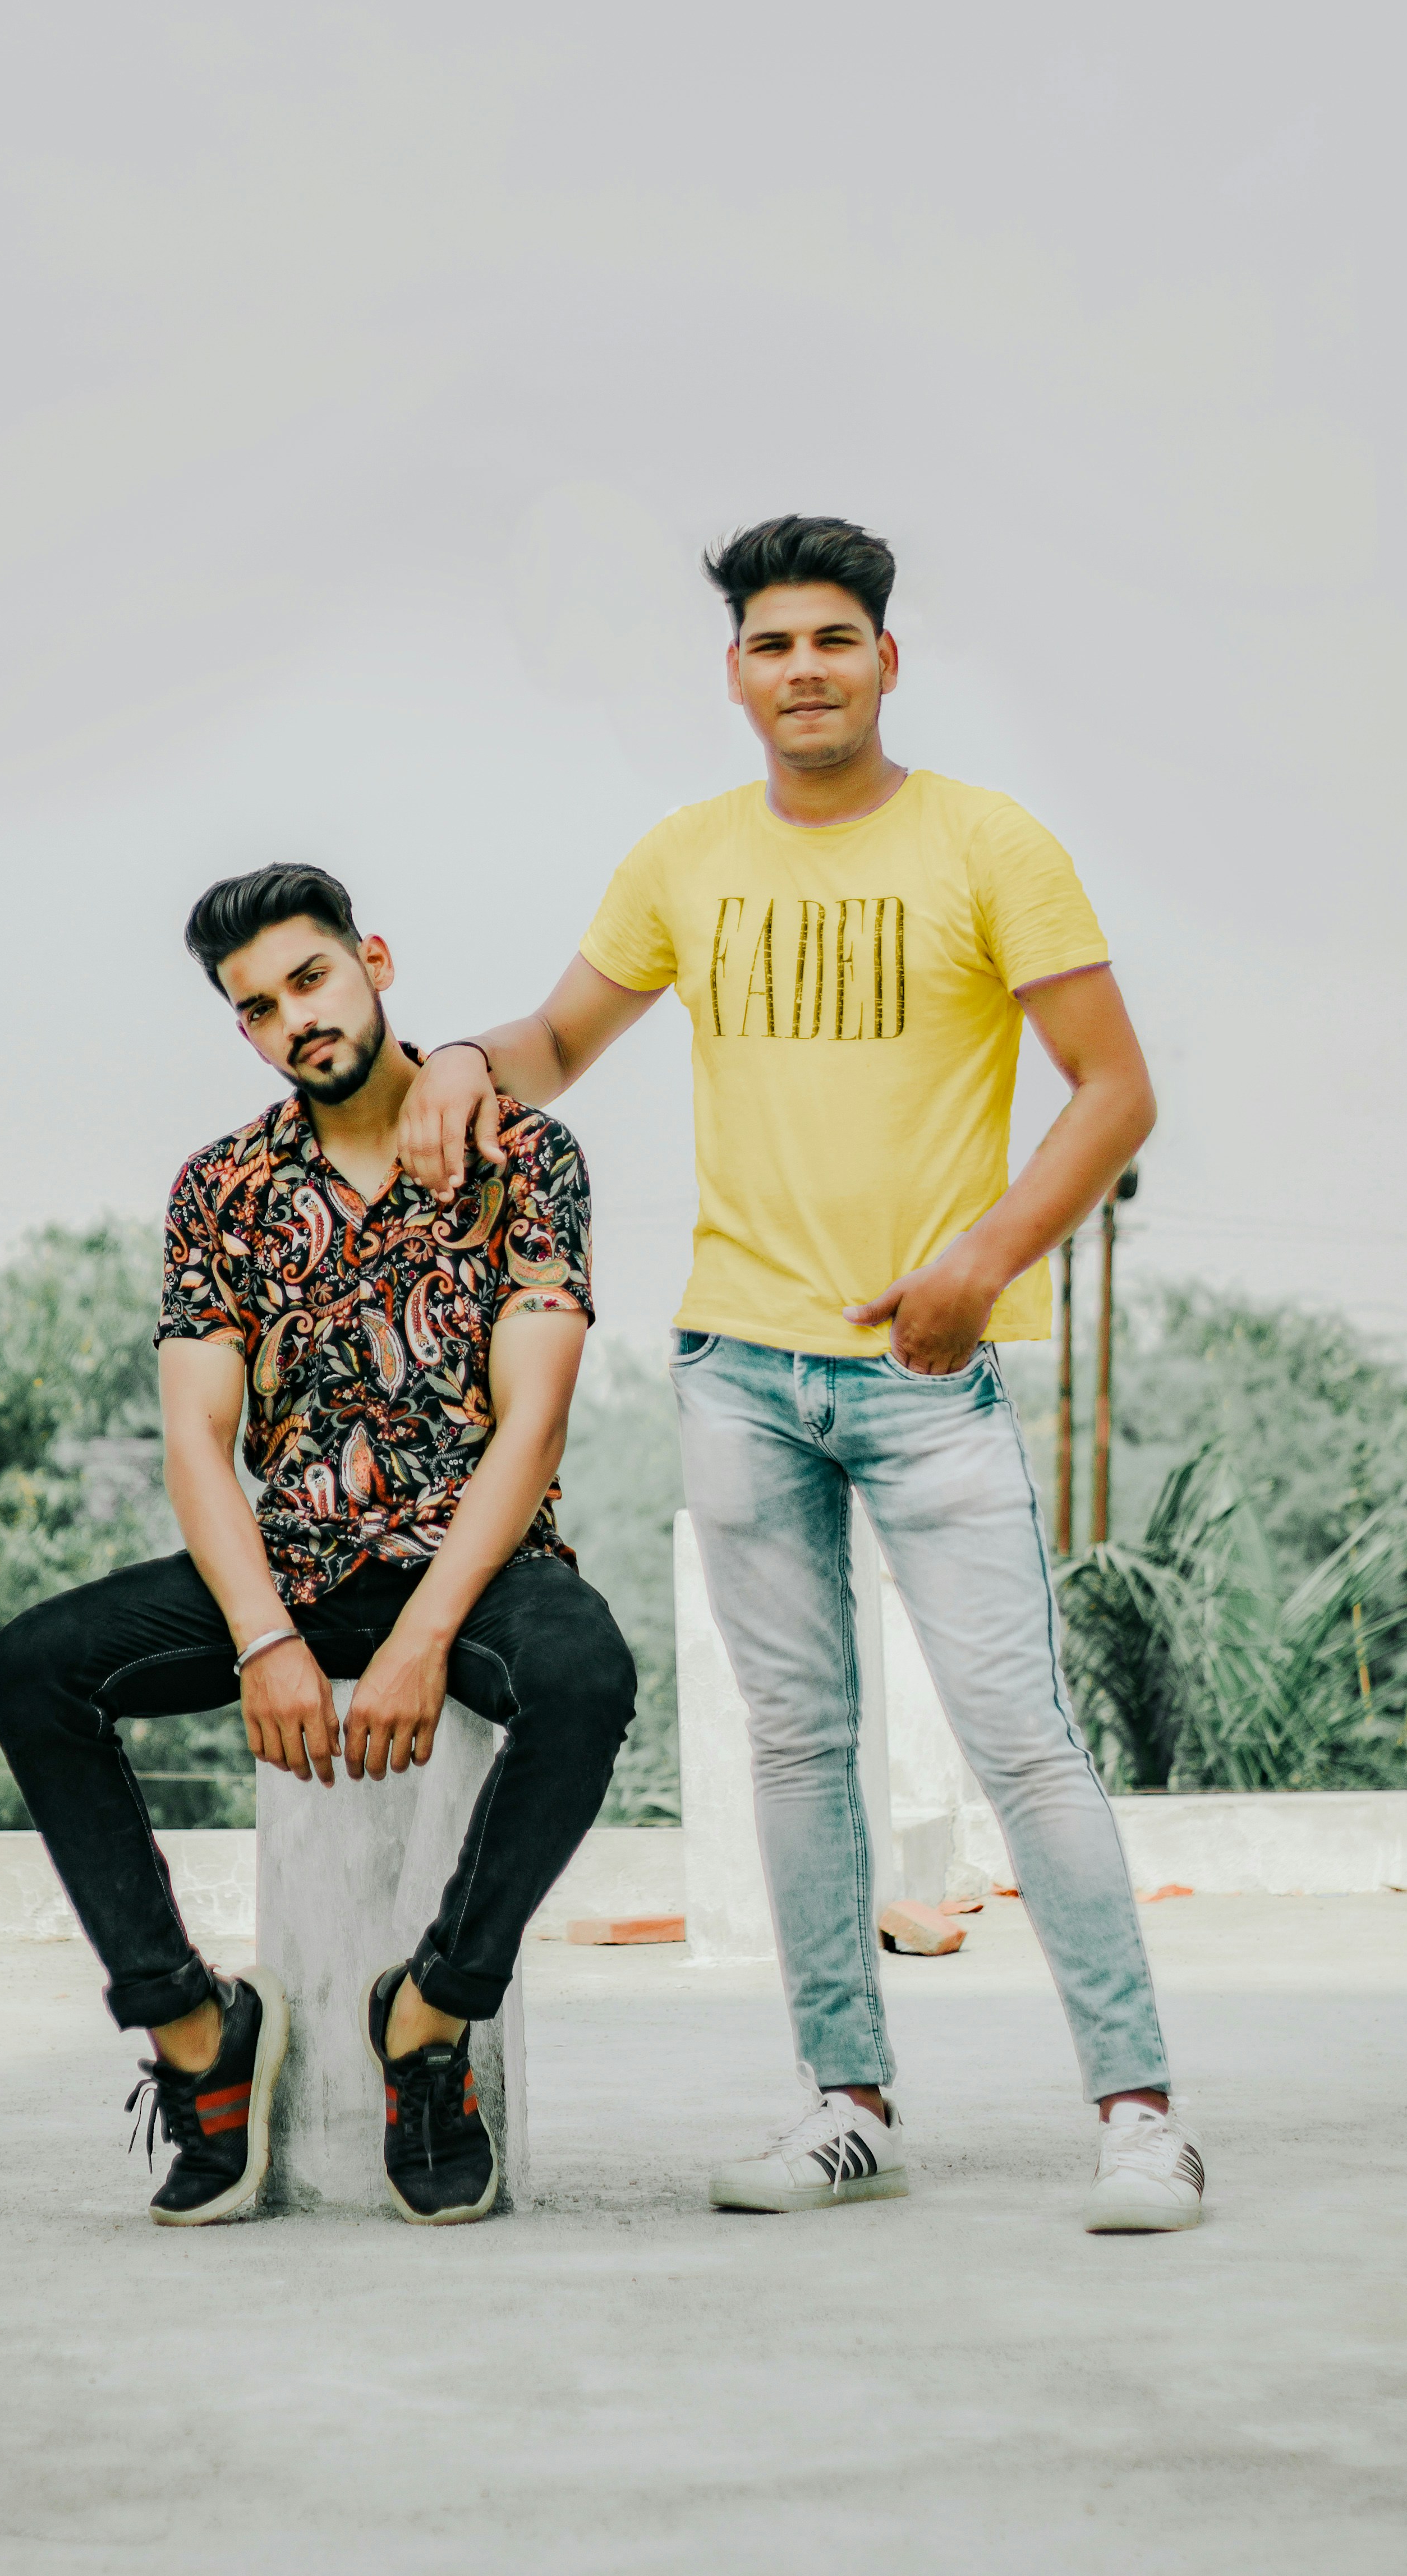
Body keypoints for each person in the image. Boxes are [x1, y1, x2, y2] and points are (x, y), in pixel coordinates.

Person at [399, 514, 1204, 2235]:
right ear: (735, 673)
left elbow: (1110, 1088)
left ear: (884, 661)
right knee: (793, 1748)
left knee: (1021, 1741)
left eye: (832, 639)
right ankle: (843, 2104)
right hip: (735, 1372)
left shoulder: (989, 844)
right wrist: (467, 1051)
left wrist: (979, 1267)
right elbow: (558, 1042)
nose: (803, 670)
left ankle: (1138, 2117)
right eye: (770, 645)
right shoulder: (683, 857)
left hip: (925, 1375)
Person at [0, 863, 634, 2228]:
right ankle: (194, 2032)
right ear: (244, 1032)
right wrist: (266, 1638)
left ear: (375, 961)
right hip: (288, 1566)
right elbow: (194, 1441)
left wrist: (423, 1636)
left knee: (586, 1679)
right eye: (260, 1007)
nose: (296, 1020)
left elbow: (536, 1422)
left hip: (475, 1567)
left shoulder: (524, 1156)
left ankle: (432, 2016)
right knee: (35, 1665)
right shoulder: (219, 1188)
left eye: (312, 980)